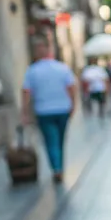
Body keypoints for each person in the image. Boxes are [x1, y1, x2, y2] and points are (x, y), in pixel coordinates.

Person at [21, 38, 76, 183]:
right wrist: (73, 105)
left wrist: (24, 113)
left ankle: (56, 169)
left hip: (44, 111)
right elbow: (71, 88)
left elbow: (26, 92)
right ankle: (60, 168)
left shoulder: (32, 70)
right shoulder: (62, 67)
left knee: (51, 141)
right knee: (60, 141)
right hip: (63, 109)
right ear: (50, 49)